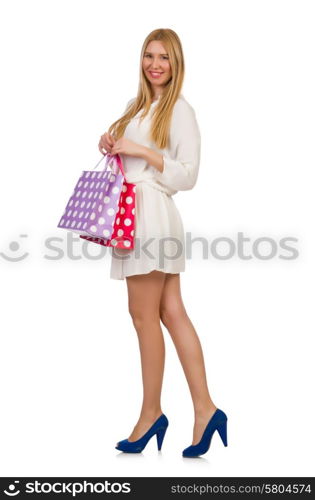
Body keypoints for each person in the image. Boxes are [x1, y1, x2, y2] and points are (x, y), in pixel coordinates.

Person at [98, 28, 228, 457]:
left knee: (143, 316)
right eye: (149, 55)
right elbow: (134, 158)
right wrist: (115, 146)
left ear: (177, 64)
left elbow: (188, 174)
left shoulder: (180, 110)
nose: (155, 64)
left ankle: (151, 413)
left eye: (165, 57)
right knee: (170, 311)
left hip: (150, 214)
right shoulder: (140, 106)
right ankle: (206, 410)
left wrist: (142, 151)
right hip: (140, 212)